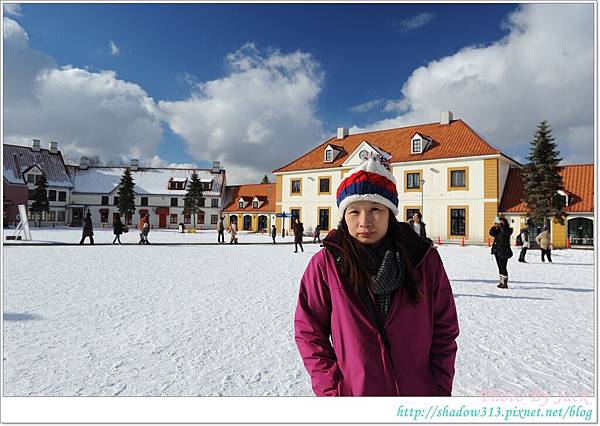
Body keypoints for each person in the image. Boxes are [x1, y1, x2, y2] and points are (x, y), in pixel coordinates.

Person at [294, 157, 459, 396]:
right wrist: (332, 390)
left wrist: (439, 389)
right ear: (343, 215)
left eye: (375, 209)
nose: (364, 222)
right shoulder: (326, 264)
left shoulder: (424, 260)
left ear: (390, 212)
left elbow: (445, 330)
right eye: (354, 211)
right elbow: (309, 332)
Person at [489, 216, 513, 289]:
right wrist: (494, 226)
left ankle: (505, 283)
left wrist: (503, 226)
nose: (499, 224)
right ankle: (501, 281)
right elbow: (491, 233)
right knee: (499, 266)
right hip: (497, 250)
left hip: (504, 251)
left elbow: (506, 234)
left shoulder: (508, 230)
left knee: (503, 267)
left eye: (500, 223)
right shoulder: (498, 230)